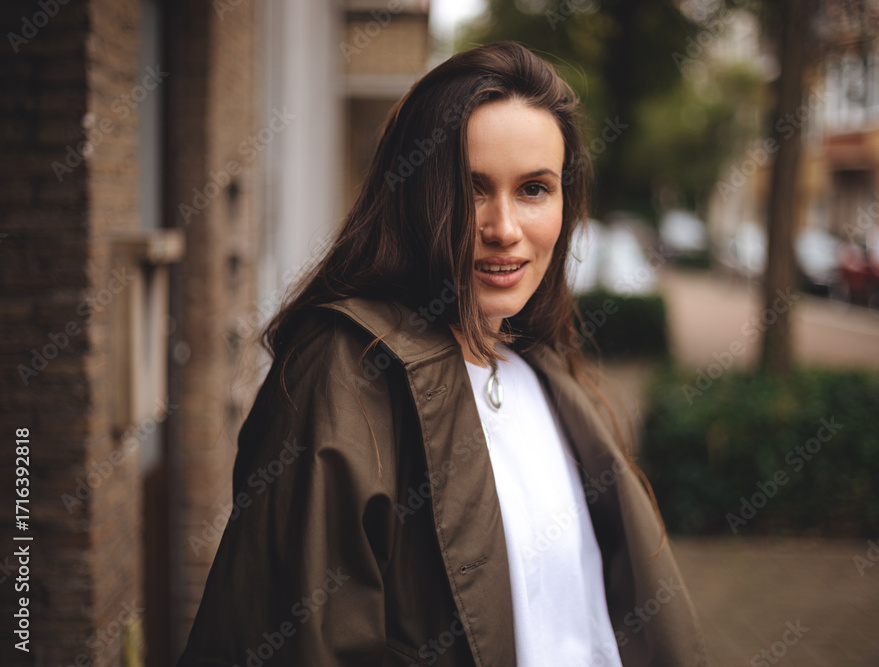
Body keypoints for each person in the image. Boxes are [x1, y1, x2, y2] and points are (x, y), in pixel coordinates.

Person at [176, 41, 706, 666]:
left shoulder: (535, 362)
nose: (504, 227)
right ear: (412, 194)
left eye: (534, 189)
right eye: (471, 188)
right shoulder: (345, 372)